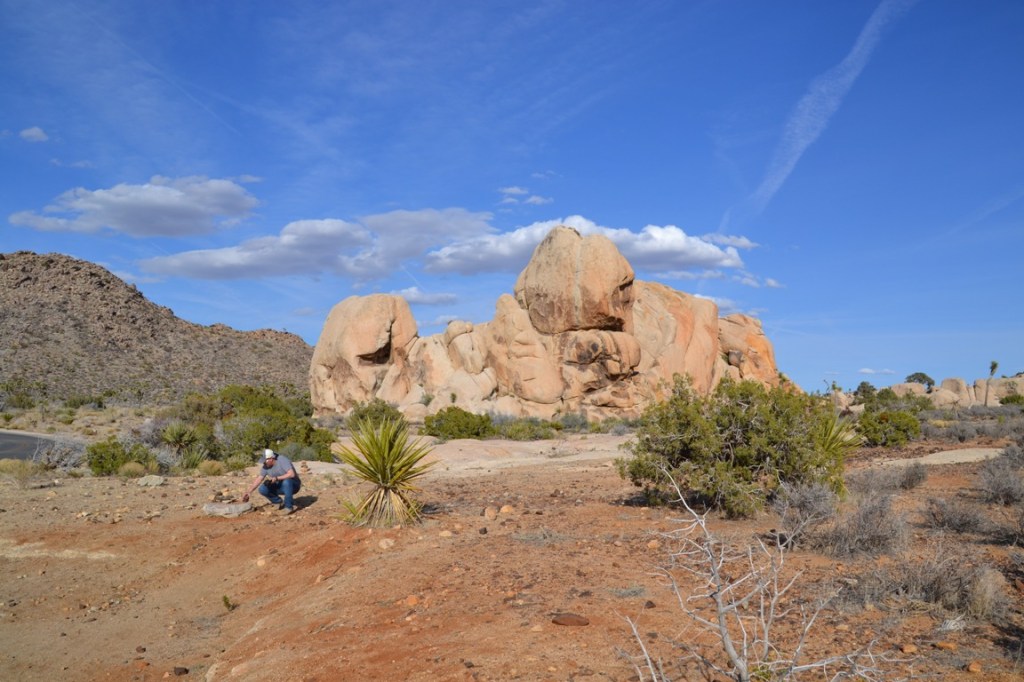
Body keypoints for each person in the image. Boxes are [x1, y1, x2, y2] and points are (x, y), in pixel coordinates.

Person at [242, 448, 301, 515]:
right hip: (281, 485)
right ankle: (277, 502)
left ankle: (288, 507)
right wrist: (249, 491)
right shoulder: (266, 466)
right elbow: (259, 478)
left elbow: (291, 474)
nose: (264, 463)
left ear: (271, 458)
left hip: (294, 485)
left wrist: (277, 478)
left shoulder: (282, 460)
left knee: (287, 481)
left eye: (265, 460)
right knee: (262, 489)